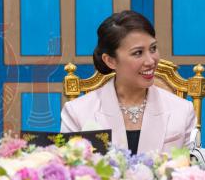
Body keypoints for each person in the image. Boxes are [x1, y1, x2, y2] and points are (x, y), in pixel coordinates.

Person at [60, 10, 196, 155]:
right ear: (110, 61)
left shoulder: (182, 110)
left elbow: (192, 165)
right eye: (138, 53)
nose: (151, 61)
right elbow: (68, 166)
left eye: (153, 48)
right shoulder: (78, 112)